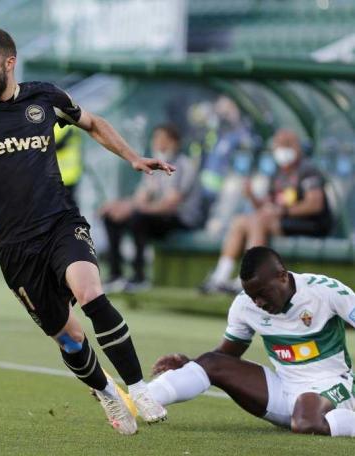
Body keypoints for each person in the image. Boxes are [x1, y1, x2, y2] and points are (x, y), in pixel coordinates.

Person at [0, 28, 174, 435]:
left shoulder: (44, 98)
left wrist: (132, 157)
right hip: (14, 248)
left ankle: (138, 388)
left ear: (9, 62)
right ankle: (107, 393)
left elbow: (93, 123)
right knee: (70, 338)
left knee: (90, 293)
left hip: (60, 223)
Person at [147, 246, 355, 437]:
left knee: (306, 423)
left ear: (282, 276)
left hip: (331, 384)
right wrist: (189, 363)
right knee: (211, 362)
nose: (258, 302)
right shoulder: (245, 305)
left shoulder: (324, 291)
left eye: (263, 293)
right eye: (252, 296)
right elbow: (226, 355)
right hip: (284, 390)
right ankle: (140, 401)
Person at [201, 129, 331, 294]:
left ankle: (247, 278)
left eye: (286, 145)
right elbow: (267, 207)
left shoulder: (307, 170)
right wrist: (252, 197)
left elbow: (315, 204)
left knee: (259, 220)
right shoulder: (278, 173)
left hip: (312, 224)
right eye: (278, 145)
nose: (281, 150)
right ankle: (220, 277)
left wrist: (282, 211)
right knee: (241, 221)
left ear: (297, 147)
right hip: (282, 221)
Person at [99, 124, 203, 292]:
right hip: (156, 217)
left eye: (163, 139)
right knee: (111, 217)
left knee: (137, 218)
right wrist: (119, 206)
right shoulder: (154, 164)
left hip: (181, 219)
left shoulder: (185, 165)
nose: (158, 143)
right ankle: (115, 275)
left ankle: (140, 278)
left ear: (175, 142)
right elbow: (140, 198)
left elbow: (169, 205)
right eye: (156, 139)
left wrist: (134, 209)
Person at [54, 123, 82, 206]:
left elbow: (58, 145)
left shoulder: (47, 122)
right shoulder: (72, 121)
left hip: (63, 174)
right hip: (69, 173)